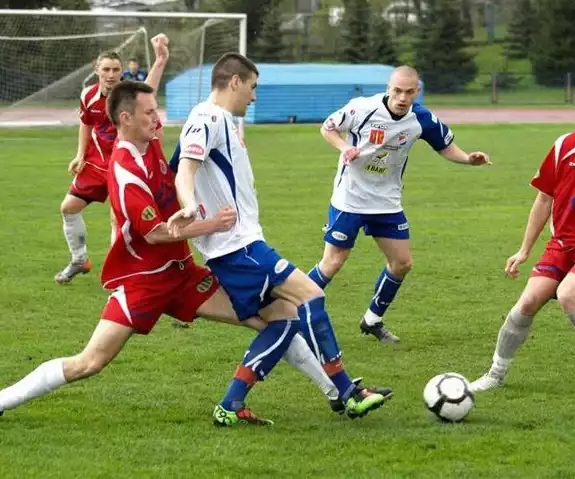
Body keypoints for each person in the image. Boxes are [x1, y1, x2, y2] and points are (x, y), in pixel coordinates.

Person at [0, 81, 341, 426]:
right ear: (125, 118)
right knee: (89, 363)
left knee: (278, 315)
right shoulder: (125, 173)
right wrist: (212, 224)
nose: (157, 117)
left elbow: (180, 150)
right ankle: (3, 399)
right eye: (149, 112)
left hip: (182, 276)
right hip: (143, 284)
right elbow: (155, 233)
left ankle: (338, 394)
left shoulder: (148, 139)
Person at [168, 52, 393, 423]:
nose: (254, 97)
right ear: (235, 82)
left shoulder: (220, 120)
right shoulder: (207, 117)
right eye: (253, 87)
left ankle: (230, 405)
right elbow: (184, 171)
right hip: (238, 248)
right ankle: (348, 394)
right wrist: (191, 206)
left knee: (285, 321)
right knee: (312, 295)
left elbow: (174, 168)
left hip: (236, 247)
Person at [470, 76, 575, 395]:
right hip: (561, 244)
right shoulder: (564, 146)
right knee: (527, 301)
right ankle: (495, 374)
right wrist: (523, 251)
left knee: (568, 295)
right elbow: (543, 200)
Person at [306, 66, 491, 343]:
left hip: (387, 202)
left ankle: (372, 320)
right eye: (397, 91)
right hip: (350, 199)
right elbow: (328, 128)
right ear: (388, 88)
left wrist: (467, 159)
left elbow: (444, 145)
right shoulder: (362, 108)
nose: (402, 97)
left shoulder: (422, 118)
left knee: (402, 262)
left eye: (409, 92)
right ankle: (288, 311)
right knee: (333, 262)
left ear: (417, 92)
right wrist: (345, 148)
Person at [55, 35, 168, 284]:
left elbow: (150, 101)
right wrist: (80, 155)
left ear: (122, 72)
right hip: (97, 163)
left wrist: (160, 61)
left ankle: (120, 276)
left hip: (124, 164)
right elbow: (86, 125)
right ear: (97, 71)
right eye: (106, 69)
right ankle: (79, 259)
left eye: (116, 69)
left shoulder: (128, 95)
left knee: (117, 220)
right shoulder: (88, 96)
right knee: (68, 208)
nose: (111, 74)